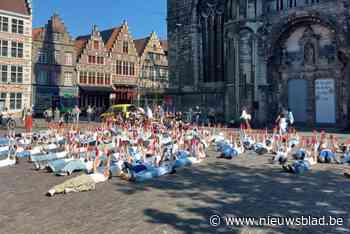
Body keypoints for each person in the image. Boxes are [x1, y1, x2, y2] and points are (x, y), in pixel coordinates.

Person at [46, 150, 112, 196]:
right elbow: (94, 165)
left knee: (74, 183)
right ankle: (57, 190)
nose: (105, 171)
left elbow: (107, 166)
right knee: (72, 183)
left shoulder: (104, 178)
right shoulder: (99, 174)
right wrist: (97, 156)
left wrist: (108, 157)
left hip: (88, 180)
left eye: (107, 171)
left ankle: (57, 190)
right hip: (87, 178)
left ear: (108, 175)